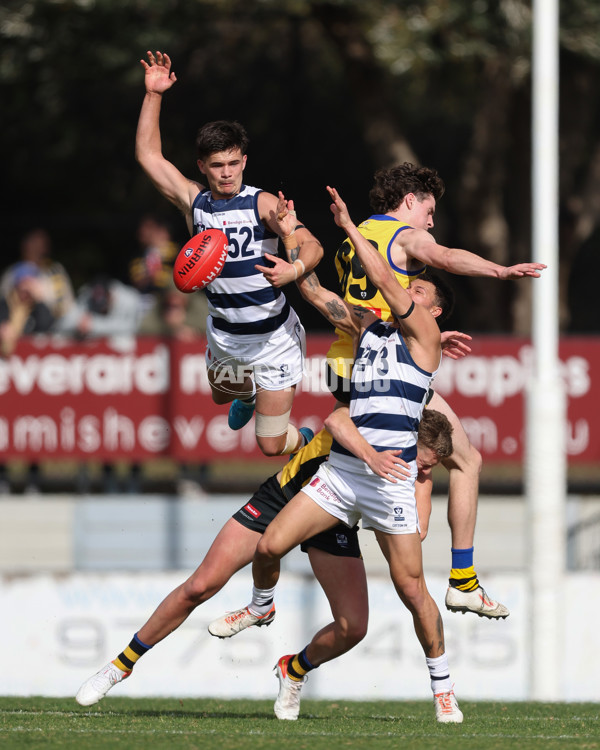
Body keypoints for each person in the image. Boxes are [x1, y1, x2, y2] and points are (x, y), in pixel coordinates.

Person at [208, 187, 464, 723]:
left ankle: (442, 688)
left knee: (412, 590)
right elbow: (316, 291)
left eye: (417, 288)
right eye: (408, 282)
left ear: (432, 311)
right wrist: (290, 240)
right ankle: (262, 609)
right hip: (347, 471)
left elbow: (389, 284)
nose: (403, 288)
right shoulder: (369, 329)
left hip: (389, 477)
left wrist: (350, 228)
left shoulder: (425, 341)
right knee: (271, 544)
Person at [74, 407, 453, 715]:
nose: (422, 471)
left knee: (353, 628)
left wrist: (418, 483)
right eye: (421, 463)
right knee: (200, 586)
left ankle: (295, 667)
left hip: (331, 521)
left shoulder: (412, 471)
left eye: (429, 468)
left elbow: (416, 530)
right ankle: (120, 666)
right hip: (283, 498)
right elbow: (330, 423)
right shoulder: (362, 420)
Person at [324, 164, 546, 619]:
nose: (430, 220)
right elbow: (444, 256)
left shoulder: (355, 237)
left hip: (345, 361)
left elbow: (357, 306)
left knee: (400, 459)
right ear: (409, 201)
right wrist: (499, 271)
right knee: (467, 461)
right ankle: (463, 580)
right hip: (381, 370)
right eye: (428, 209)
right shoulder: (399, 236)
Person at [135, 50, 323, 457]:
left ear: (244, 162)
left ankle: (314, 442)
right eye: (217, 165)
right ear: (202, 165)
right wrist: (154, 95)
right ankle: (247, 395)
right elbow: (149, 157)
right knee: (223, 398)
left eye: (234, 163)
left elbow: (314, 246)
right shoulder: (195, 202)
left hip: (272, 337)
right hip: (225, 334)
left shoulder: (264, 204)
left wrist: (294, 270)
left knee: (270, 444)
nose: (227, 173)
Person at [0, 228, 75, 325]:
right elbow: (3, 302)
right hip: (17, 329)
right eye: (35, 244)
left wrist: (40, 294)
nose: (40, 250)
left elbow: (65, 308)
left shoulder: (54, 271)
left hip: (52, 328)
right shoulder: (12, 272)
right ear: (24, 245)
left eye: (43, 245)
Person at [0, 262, 55, 357]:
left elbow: (45, 326)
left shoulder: (37, 306)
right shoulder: (5, 303)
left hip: (30, 358)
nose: (28, 287)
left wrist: (39, 300)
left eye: (31, 283)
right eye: (25, 282)